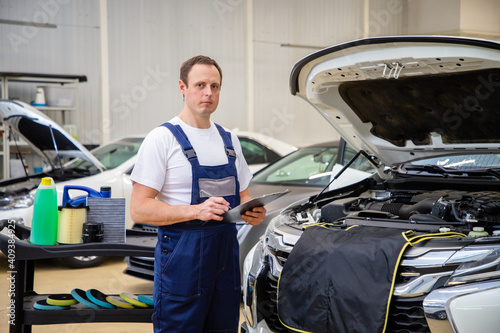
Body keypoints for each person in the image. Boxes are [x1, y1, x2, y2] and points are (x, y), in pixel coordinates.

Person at [130, 55, 266, 333]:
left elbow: (243, 196)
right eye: (200, 85)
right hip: (182, 260)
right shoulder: (163, 139)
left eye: (215, 86)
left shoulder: (229, 140)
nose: (208, 93)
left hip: (226, 260)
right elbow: (139, 209)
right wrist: (196, 211)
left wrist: (253, 212)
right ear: (182, 87)